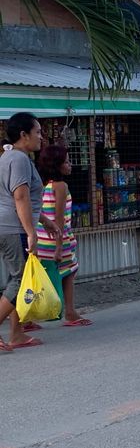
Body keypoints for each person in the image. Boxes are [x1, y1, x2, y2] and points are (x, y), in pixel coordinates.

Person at [0, 113, 58, 352]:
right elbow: (20, 196)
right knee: (20, 280)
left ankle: (17, 333)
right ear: (23, 135)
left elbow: (26, 199)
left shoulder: (10, 157)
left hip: (10, 226)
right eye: (38, 132)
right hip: (14, 229)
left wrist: (44, 221)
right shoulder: (19, 159)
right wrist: (31, 232)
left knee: (19, 280)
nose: (41, 137)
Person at [35, 144, 92, 327]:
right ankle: (70, 312)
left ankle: (27, 317)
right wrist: (59, 247)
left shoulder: (42, 185)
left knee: (42, 276)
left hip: (42, 239)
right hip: (58, 239)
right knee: (70, 270)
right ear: (57, 165)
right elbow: (59, 218)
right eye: (66, 162)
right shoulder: (60, 186)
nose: (70, 165)